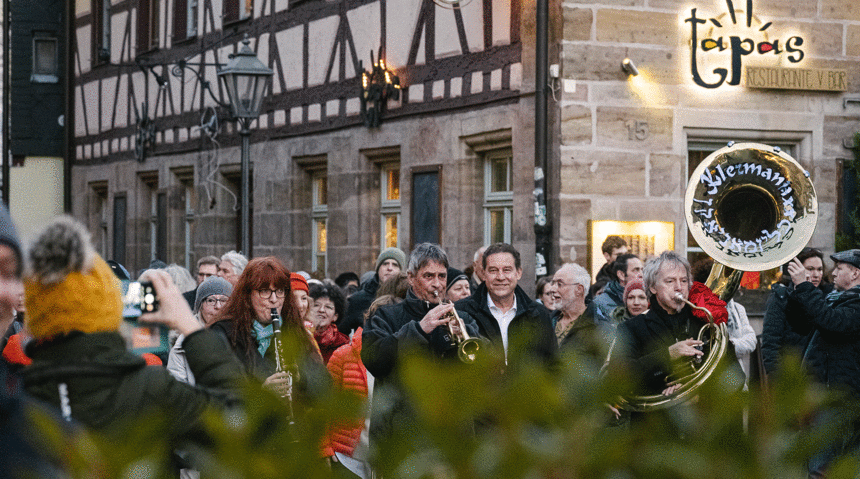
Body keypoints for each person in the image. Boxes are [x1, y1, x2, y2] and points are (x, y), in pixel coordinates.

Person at [20, 216, 244, 438]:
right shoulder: (149, 389)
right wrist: (190, 326)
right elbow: (240, 419)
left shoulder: (16, 397)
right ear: (111, 309)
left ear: (35, 315)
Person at [361, 243, 480, 453]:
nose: (437, 284)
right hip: (401, 439)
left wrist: (466, 334)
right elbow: (374, 359)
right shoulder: (386, 315)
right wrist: (418, 330)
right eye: (428, 276)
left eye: (442, 276)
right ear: (411, 277)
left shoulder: (464, 318)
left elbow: (482, 365)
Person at [613, 251, 741, 399]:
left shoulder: (707, 325)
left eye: (684, 281)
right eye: (670, 281)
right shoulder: (631, 328)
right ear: (653, 287)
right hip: (656, 413)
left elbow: (736, 377)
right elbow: (618, 379)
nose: (679, 287)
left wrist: (698, 394)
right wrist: (668, 354)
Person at [786, 249, 860, 476]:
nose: (833, 273)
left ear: (855, 273)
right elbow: (800, 324)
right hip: (826, 395)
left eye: (839, 268)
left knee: (822, 468)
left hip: (840, 398)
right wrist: (798, 290)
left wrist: (805, 287)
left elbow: (832, 322)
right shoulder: (835, 298)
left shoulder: (856, 304)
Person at [210, 257, 326, 390]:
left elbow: (324, 388)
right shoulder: (224, 333)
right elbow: (215, 390)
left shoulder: (293, 330)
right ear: (247, 295)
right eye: (265, 291)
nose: (274, 299)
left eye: (280, 291)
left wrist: (302, 379)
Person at [456, 243, 556, 368]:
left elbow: (552, 365)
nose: (500, 277)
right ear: (483, 274)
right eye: (493, 270)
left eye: (507, 270)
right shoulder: (461, 311)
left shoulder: (539, 314)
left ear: (518, 273)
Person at [761, 247, 833, 377]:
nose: (816, 274)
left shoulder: (828, 297)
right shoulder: (781, 297)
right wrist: (776, 377)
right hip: (791, 373)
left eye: (819, 269)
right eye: (810, 269)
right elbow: (771, 341)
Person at [167, 276, 233, 385]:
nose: (218, 306)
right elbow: (177, 389)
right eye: (210, 300)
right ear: (200, 305)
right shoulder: (181, 346)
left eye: (223, 300)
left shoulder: (243, 337)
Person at [550, 263, 609, 364]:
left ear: (579, 289)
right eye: (553, 283)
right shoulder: (546, 321)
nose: (552, 289)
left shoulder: (600, 327)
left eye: (559, 284)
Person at [341, 247, 406, 335]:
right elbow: (342, 334)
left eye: (395, 265)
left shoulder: (408, 298)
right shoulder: (357, 300)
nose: (390, 268)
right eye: (385, 264)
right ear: (378, 269)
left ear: (401, 271)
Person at [592, 253, 643, 322]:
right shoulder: (601, 303)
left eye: (642, 270)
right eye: (636, 270)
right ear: (621, 275)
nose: (641, 275)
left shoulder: (647, 297)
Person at [309, 282, 349, 364]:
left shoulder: (343, 344)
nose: (321, 310)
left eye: (328, 307)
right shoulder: (299, 337)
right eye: (316, 305)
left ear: (335, 316)